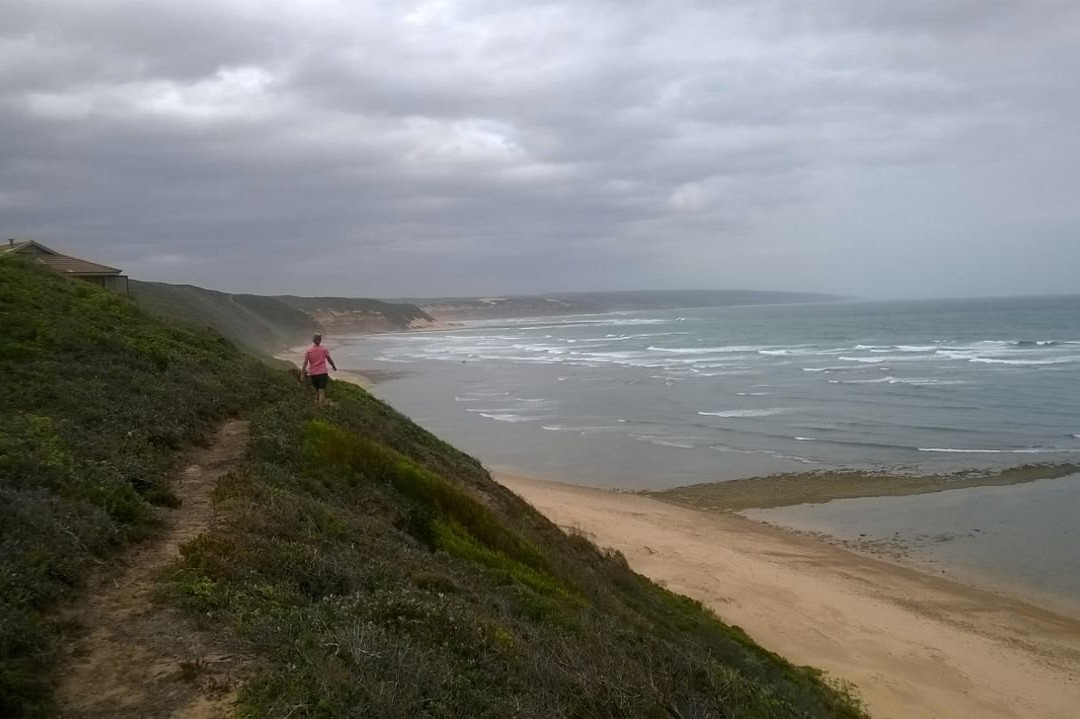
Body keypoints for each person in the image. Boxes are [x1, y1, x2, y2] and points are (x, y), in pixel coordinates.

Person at [301, 332, 337, 404]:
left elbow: (305, 363)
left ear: (313, 340)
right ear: (320, 340)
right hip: (322, 373)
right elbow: (329, 359)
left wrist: (302, 374)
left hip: (313, 374)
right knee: (321, 391)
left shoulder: (309, 351)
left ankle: (317, 405)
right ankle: (321, 408)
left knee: (317, 390)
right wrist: (333, 366)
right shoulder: (324, 350)